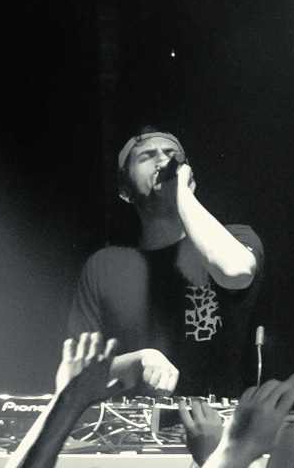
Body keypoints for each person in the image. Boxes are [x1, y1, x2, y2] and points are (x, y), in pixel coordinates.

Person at [67, 128, 263, 398]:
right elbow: (78, 373)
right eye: (147, 156)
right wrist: (136, 363)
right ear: (125, 191)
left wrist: (181, 191)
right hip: (132, 424)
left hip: (216, 422)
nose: (163, 160)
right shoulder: (103, 266)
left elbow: (235, 271)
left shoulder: (235, 237)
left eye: (172, 154)